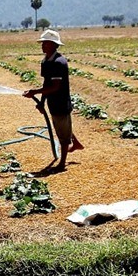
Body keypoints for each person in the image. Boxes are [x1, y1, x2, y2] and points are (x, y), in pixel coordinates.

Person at [23, 29, 83, 171]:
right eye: (42, 43)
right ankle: (76, 144)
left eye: (45, 43)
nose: (42, 45)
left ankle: (62, 164)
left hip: (61, 102)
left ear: (54, 45)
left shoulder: (58, 62)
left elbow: (55, 87)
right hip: (52, 102)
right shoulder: (46, 61)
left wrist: (34, 92)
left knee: (62, 133)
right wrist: (41, 102)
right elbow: (46, 83)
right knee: (61, 126)